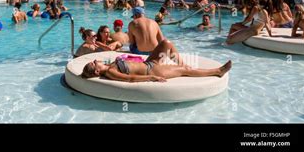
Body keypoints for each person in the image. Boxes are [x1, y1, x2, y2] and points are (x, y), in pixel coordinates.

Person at [81, 56, 232, 82]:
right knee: (184, 70)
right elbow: (130, 79)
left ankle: (216, 71)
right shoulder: (110, 72)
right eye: (94, 63)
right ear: (96, 71)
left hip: (151, 65)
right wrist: (152, 78)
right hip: (152, 71)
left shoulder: (108, 66)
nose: (95, 60)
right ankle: (217, 72)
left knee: (184, 67)